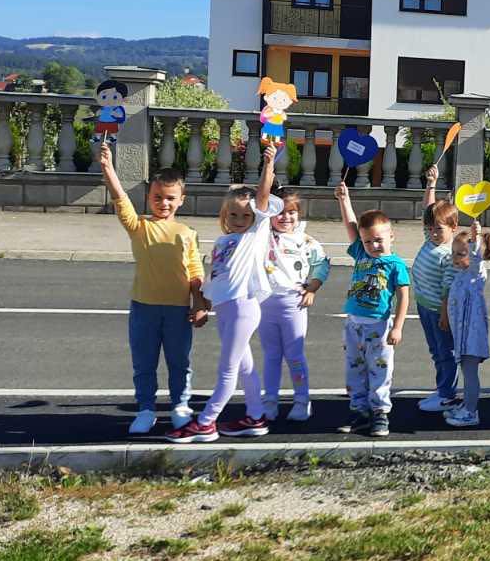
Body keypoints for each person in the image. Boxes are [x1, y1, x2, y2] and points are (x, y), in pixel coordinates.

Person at [167, 152, 281, 443]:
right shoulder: (223, 241)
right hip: (226, 309)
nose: (240, 220)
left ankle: (206, 422)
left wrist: (268, 163)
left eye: (246, 215)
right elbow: (218, 277)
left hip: (243, 307)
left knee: (227, 369)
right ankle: (255, 416)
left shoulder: (254, 234)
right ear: (224, 215)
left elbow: (262, 196)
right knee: (244, 367)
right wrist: (204, 302)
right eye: (234, 215)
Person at [100, 144, 204, 435]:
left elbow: (195, 271)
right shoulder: (139, 227)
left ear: (181, 200)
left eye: (170, 198)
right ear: (149, 197)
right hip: (144, 308)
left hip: (178, 311)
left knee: (179, 363)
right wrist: (108, 168)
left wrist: (200, 303)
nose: (164, 203)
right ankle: (146, 409)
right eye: (158, 197)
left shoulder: (187, 233)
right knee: (144, 364)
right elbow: (121, 200)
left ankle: (180, 406)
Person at [333, 180, 410, 437]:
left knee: (380, 370)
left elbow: (403, 296)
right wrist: (344, 199)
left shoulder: (395, 264)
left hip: (379, 326)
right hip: (353, 324)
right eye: (368, 241)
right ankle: (359, 412)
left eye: (378, 240)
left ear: (391, 237)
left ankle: (379, 413)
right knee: (354, 370)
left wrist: (397, 327)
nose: (373, 245)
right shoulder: (361, 254)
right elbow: (351, 226)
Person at [259, 186, 328, 423]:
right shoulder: (262, 235)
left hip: (293, 304)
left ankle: (301, 400)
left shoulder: (306, 241)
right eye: (280, 212)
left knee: (295, 355)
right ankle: (270, 400)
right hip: (265, 303)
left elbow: (321, 265)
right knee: (271, 355)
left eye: (291, 212)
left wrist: (312, 289)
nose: (286, 217)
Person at [413, 166, 461, 414]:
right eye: (430, 228)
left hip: (438, 311)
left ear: (453, 227)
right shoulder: (430, 238)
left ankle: (447, 394)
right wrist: (431, 184)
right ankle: (442, 387)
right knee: (436, 350)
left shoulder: (449, 254)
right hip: (424, 305)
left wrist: (444, 314)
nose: (433, 232)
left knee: (445, 352)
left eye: (439, 229)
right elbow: (428, 210)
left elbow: (448, 290)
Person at [442, 220, 490, 428]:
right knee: (467, 373)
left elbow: (476, 259)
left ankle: (471, 411)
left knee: (470, 374)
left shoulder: (476, 273)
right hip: (463, 336)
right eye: (454, 253)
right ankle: (466, 405)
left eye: (461, 254)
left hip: (472, 336)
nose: (455, 257)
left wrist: (475, 239)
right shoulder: (461, 274)